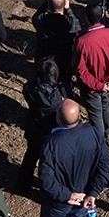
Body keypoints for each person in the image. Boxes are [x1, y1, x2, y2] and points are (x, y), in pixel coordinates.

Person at [37, 99, 109, 217]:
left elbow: (46, 181)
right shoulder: (93, 133)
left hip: (58, 203)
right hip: (83, 200)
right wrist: (92, 193)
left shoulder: (51, 144)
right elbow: (105, 167)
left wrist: (67, 195)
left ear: (58, 119)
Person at [74, 3, 109, 141]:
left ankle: (99, 140)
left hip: (91, 88)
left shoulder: (82, 42)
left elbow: (81, 71)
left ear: (86, 18)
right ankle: (108, 132)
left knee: (96, 114)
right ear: (102, 16)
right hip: (108, 84)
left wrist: (99, 86)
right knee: (106, 106)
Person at [17, 58, 70, 192]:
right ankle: (47, 189)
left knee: (30, 158)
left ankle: (22, 186)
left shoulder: (29, 88)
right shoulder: (59, 95)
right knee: (49, 164)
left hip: (34, 130)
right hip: (52, 135)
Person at [31, 0, 80, 73]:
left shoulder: (42, 20)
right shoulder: (70, 22)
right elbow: (77, 27)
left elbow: (35, 17)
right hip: (64, 63)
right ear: (65, 4)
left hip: (44, 63)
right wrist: (68, 9)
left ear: (49, 6)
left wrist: (47, 2)